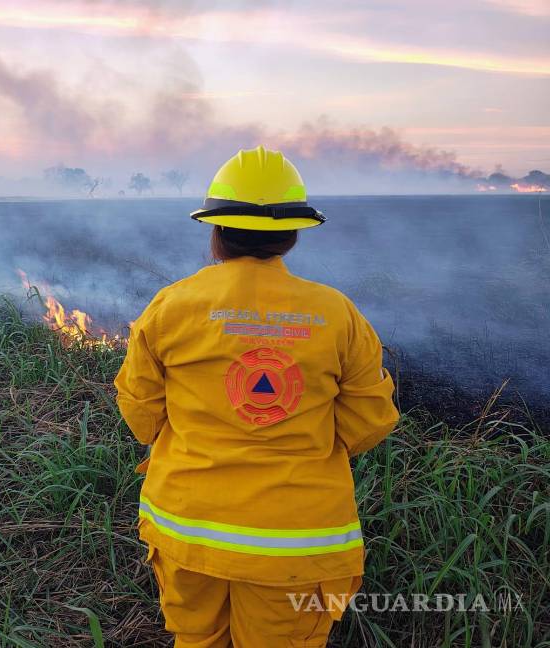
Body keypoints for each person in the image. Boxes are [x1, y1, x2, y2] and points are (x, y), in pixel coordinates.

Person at [114, 146, 400, 647]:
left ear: (216, 233)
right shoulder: (337, 314)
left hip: (187, 528)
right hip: (294, 544)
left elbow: (140, 412)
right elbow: (370, 422)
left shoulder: (171, 306)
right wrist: (301, 442)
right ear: (292, 236)